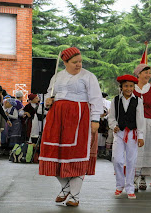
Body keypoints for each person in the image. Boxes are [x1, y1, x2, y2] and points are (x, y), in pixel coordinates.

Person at [39, 47, 103, 207]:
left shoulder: (88, 76)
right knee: (53, 152)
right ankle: (66, 187)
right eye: (74, 62)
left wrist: (95, 119)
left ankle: (75, 196)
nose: (79, 64)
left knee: (76, 154)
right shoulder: (57, 76)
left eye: (80, 61)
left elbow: (96, 98)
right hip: (56, 118)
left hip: (79, 117)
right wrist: (48, 100)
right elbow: (49, 93)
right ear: (65, 62)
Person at [109, 74, 145, 199]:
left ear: (134, 87)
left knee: (131, 161)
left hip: (132, 134)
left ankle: (129, 187)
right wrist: (114, 126)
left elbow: (140, 120)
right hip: (119, 133)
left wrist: (140, 136)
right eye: (126, 86)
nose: (128, 88)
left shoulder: (138, 101)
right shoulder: (115, 100)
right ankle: (119, 185)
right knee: (117, 159)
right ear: (121, 87)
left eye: (131, 86)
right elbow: (111, 117)